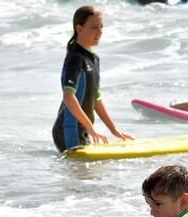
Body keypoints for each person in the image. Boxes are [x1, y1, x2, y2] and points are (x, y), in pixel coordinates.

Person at [52, 6, 132, 152]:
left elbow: (96, 99)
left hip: (82, 129)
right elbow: (69, 97)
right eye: (94, 27)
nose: (99, 32)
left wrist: (114, 129)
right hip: (69, 130)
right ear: (79, 29)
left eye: (101, 27)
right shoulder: (75, 58)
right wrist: (90, 127)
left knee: (88, 174)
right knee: (81, 174)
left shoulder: (93, 59)